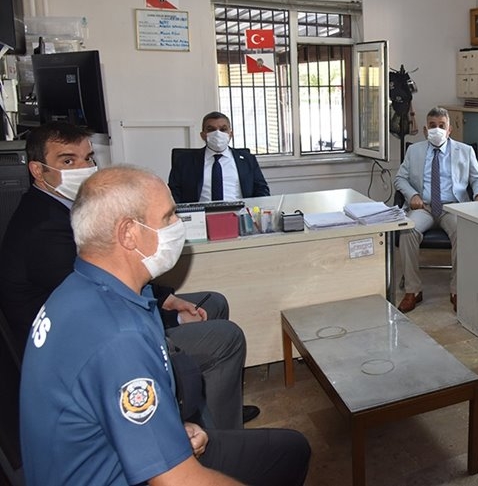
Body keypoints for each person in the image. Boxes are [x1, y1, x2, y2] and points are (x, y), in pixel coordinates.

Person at [20, 165, 310, 485]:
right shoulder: (119, 338)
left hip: (111, 452)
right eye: (169, 216)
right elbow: (176, 481)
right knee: (289, 452)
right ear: (129, 233)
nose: (178, 225)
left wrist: (168, 427)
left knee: (290, 449)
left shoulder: (79, 288)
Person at [0, 122, 255, 429]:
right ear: (38, 171)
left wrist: (166, 298)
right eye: (68, 160)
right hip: (86, 348)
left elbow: (113, 272)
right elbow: (105, 302)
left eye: (88, 158)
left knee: (214, 302)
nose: (83, 168)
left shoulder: (65, 207)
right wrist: (172, 318)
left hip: (107, 315)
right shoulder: (44, 229)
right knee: (227, 337)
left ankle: (213, 406)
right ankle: (219, 438)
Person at [394, 106, 478, 313]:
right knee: (407, 231)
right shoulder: (414, 151)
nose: (437, 129)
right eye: (432, 125)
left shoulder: (465, 151)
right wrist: (412, 195)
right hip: (424, 207)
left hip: (453, 207)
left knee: (463, 231)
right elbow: (400, 178)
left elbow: (477, 179)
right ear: (425, 130)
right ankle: (413, 290)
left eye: (442, 125)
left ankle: (457, 289)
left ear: (449, 129)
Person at [168, 111, 269, 203]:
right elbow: (173, 193)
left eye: (223, 129)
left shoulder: (247, 159)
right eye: (211, 129)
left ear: (230, 134)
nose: (217, 133)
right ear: (203, 135)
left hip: (238, 213)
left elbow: (261, 189)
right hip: (200, 214)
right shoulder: (185, 161)